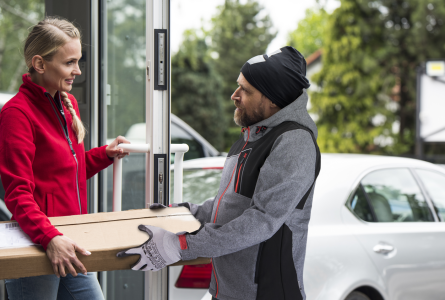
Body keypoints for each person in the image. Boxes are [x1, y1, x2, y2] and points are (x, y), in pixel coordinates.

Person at [117, 46, 321, 300]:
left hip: (265, 293)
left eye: (245, 90)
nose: (234, 95)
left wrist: (180, 245)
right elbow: (232, 203)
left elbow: (262, 219)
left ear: (272, 99)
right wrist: (185, 212)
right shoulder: (251, 137)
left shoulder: (294, 142)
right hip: (227, 291)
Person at [0, 17, 129, 300]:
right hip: (38, 244)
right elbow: (18, 193)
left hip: (68, 240)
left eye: (78, 61)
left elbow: (64, 174)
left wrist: (102, 155)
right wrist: (50, 238)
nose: (77, 71)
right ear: (40, 64)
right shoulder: (16, 115)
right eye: (69, 62)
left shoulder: (67, 107)